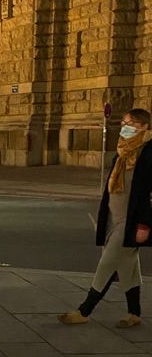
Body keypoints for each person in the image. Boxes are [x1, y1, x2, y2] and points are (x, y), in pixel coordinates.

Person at [59, 107, 152, 328]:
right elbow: (111, 190)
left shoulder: (149, 153)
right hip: (113, 217)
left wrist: (145, 224)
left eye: (130, 124)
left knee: (107, 264)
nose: (125, 127)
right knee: (128, 267)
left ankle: (84, 311)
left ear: (144, 127)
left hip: (130, 221)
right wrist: (104, 218)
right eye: (123, 123)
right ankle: (134, 314)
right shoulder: (121, 152)